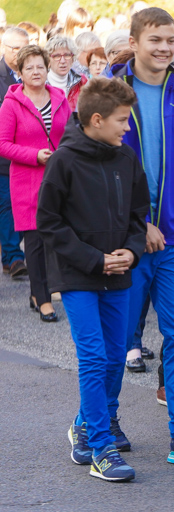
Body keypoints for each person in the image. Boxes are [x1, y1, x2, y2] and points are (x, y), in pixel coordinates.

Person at [107, 7, 174, 470]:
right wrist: (137, 224)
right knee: (114, 340)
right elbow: (99, 172)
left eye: (170, 40)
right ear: (134, 42)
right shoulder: (108, 94)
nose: (164, 48)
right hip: (123, 243)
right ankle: (100, 422)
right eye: (155, 39)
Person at [38, 77, 148, 482]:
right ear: (96, 119)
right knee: (94, 357)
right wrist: (93, 259)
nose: (127, 128)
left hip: (119, 275)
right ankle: (102, 449)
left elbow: (140, 216)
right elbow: (48, 222)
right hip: (78, 276)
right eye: (122, 120)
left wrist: (132, 252)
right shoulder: (63, 161)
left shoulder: (126, 158)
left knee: (115, 356)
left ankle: (84, 424)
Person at [0, 45, 72, 322]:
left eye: (40, 66)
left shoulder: (60, 98)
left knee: (58, 237)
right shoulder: (12, 103)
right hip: (27, 178)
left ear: (48, 68)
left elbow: (68, 134)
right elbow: (3, 144)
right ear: (20, 73)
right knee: (35, 241)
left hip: (58, 178)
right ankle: (42, 298)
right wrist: (34, 155)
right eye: (28, 67)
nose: (35, 71)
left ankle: (49, 289)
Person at [0, 27, 27, 279]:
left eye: (23, 47)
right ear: (4, 48)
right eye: (14, 48)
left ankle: (11, 255)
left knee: (22, 205)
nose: (19, 53)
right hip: (4, 157)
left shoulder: (34, 73)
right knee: (7, 205)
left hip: (30, 153)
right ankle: (13, 257)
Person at [45, 36, 87, 110]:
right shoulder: (41, 83)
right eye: (57, 56)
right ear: (48, 59)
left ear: (73, 58)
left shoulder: (82, 81)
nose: (63, 61)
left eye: (67, 55)